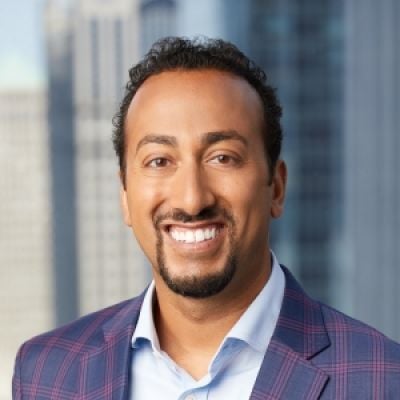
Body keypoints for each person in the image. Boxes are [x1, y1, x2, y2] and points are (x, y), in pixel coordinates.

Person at [13, 37, 400, 400]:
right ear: (125, 197)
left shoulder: (382, 379)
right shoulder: (46, 373)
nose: (192, 198)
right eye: (159, 161)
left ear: (276, 188)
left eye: (223, 158)